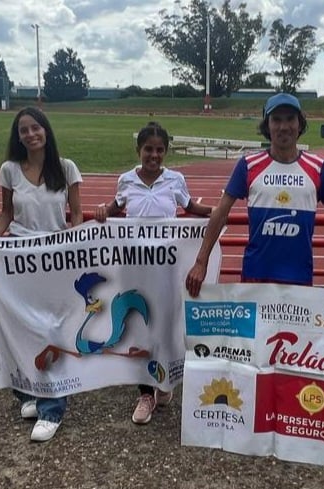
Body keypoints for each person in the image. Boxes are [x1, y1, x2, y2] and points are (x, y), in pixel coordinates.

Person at [185, 93, 324, 304]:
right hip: (255, 279)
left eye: (290, 119)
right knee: (253, 338)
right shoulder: (248, 165)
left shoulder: (319, 167)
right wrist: (201, 262)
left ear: (300, 124)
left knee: (294, 338)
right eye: (276, 119)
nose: (283, 126)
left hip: (299, 279)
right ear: (267, 125)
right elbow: (220, 213)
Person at [94, 121, 213, 425]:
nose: (154, 155)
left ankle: (165, 380)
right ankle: (145, 393)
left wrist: (218, 211)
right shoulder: (126, 181)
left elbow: (190, 209)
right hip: (133, 267)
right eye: (149, 149)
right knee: (139, 327)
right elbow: (114, 209)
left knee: (165, 325)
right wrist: (103, 212)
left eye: (160, 150)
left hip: (166, 268)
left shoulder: (175, 180)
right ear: (139, 150)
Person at [0, 106, 84, 441]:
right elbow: (5, 213)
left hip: (56, 259)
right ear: (18, 137)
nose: (30, 134)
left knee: (51, 330)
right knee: (22, 328)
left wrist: (74, 240)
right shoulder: (10, 170)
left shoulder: (66, 168)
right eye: (23, 130)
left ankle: (53, 409)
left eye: (36, 128)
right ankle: (30, 393)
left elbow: (76, 213)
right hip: (19, 258)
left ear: (46, 130)